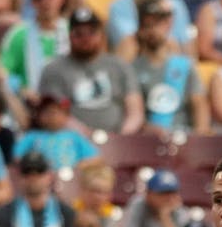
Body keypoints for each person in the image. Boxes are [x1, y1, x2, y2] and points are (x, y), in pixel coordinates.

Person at [39, 7, 144, 135]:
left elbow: (135, 111)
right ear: (69, 35)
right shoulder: (54, 69)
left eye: (91, 32)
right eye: (79, 34)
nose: (85, 38)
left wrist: (122, 136)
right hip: (72, 141)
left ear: (101, 34)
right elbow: (55, 114)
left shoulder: (119, 66)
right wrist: (89, 138)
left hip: (118, 139)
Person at [131, 0, 210, 136]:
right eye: (147, 25)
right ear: (140, 30)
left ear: (168, 25)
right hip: (147, 140)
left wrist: (200, 134)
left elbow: (199, 104)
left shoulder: (184, 65)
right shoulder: (132, 69)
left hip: (184, 137)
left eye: (157, 24)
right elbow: (132, 110)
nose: (153, 31)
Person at [0, 0, 66, 95]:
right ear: (32, 2)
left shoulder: (74, 32)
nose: (46, 1)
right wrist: (22, 90)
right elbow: (2, 73)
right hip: (29, 103)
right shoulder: (18, 34)